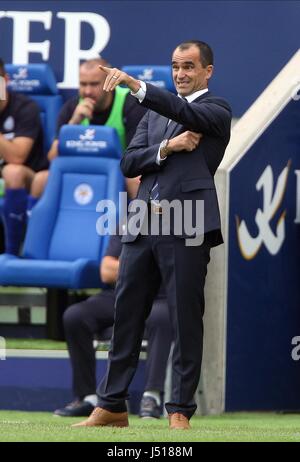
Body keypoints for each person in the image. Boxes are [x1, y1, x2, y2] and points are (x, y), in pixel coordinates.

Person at [73, 40, 232, 430]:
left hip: (188, 221)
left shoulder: (217, 110)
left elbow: (179, 109)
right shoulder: (154, 118)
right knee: (126, 313)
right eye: (176, 66)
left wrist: (134, 85)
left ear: (207, 71)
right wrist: (167, 147)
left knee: (184, 316)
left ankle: (179, 409)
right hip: (143, 220)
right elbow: (129, 161)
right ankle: (111, 404)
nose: (180, 73)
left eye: (189, 67)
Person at [54, 233, 172, 419]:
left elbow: (172, 269)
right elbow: (107, 271)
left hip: (161, 298)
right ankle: (88, 398)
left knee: (160, 317)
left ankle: (152, 397)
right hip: (123, 293)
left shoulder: (178, 220)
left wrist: (129, 266)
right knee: (75, 316)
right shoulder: (128, 223)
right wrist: (146, 267)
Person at [30, 58, 146, 203]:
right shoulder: (71, 108)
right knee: (40, 180)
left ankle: (143, 224)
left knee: (135, 181)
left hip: (118, 171)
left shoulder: (129, 105)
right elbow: (52, 157)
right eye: (83, 84)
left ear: (109, 82)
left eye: (94, 84)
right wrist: (73, 123)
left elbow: (135, 160)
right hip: (80, 169)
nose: (87, 91)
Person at [0, 58, 47, 255]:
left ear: (6, 80)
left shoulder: (26, 108)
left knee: (13, 171)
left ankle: (12, 253)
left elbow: (17, 156)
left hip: (28, 176)